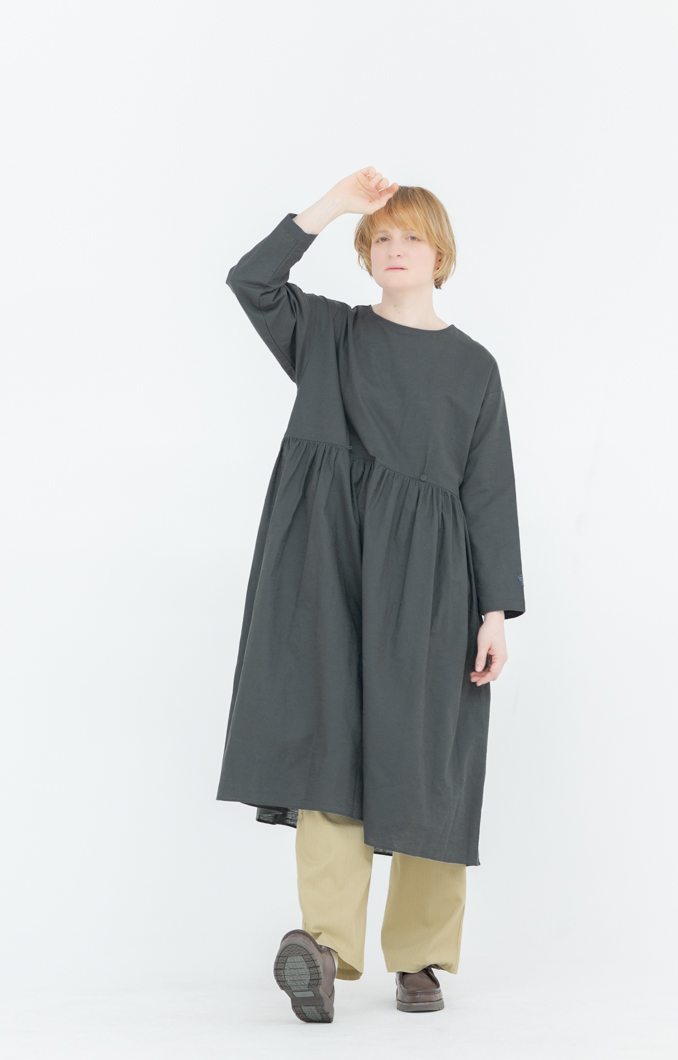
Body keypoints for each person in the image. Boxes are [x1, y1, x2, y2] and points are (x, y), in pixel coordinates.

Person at [216, 167, 525, 1022]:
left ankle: (419, 957)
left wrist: (493, 611)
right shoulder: (330, 336)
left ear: (440, 254)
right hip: (327, 567)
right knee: (330, 748)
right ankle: (323, 948)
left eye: (410, 237)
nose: (394, 248)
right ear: (364, 253)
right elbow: (251, 280)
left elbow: (488, 493)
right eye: (380, 237)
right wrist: (331, 207)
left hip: (431, 582)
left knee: (426, 758)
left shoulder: (473, 368)